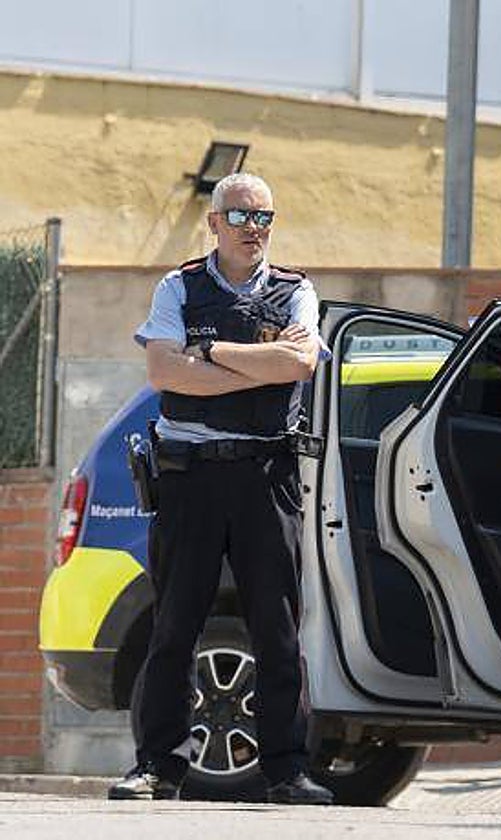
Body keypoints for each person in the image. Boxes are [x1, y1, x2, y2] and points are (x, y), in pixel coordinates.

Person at [108, 173, 334, 805]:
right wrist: (255, 365)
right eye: (239, 216)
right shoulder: (178, 286)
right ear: (213, 223)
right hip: (192, 477)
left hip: (266, 476)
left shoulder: (296, 290)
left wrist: (208, 356)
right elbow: (161, 372)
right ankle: (158, 766)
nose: (253, 228)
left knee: (278, 628)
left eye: (264, 217)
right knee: (176, 625)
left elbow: (300, 364)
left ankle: (287, 770)